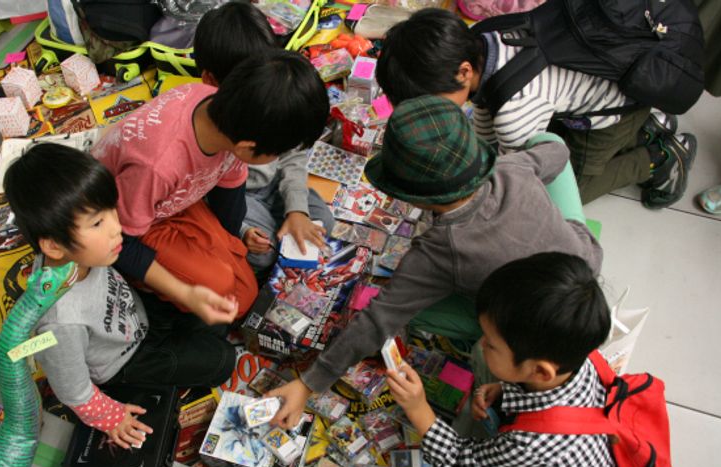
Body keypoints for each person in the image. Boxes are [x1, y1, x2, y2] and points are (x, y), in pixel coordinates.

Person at [268, 95, 603, 430]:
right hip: (582, 266)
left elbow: (379, 318)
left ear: (412, 197)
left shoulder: (440, 251)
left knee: (396, 302)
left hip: (527, 317)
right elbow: (557, 152)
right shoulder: (512, 167)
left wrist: (309, 383)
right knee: (549, 138)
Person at [4, 143, 236, 449]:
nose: (116, 228)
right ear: (54, 246)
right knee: (222, 360)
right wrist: (111, 418)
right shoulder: (60, 323)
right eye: (97, 223)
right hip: (124, 361)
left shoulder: (83, 254)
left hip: (136, 314)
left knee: (217, 320)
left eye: (112, 210)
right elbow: (73, 390)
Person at [386, 252, 614, 467]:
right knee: (482, 359)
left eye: (492, 342)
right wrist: (504, 389)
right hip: (555, 447)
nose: (482, 342)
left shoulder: (534, 444)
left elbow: (462, 465)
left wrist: (418, 408)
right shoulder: (573, 354)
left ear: (540, 371)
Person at [374, 8, 698, 209]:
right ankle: (649, 127)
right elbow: (485, 109)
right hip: (602, 79)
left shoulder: (515, 113)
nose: (428, 112)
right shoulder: (480, 38)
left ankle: (660, 159)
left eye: (430, 102)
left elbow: (520, 176)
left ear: (463, 72)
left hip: (612, 110)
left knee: (566, 192)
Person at [91, 48, 329, 316]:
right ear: (246, 148)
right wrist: (184, 291)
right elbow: (120, 241)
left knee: (241, 290)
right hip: (128, 223)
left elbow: (229, 197)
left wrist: (233, 243)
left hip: (175, 200)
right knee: (227, 291)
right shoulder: (157, 165)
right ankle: (143, 287)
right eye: (278, 153)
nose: (279, 158)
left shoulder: (223, 112)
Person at [193, 1, 334, 273]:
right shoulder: (209, 125)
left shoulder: (272, 94)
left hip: (273, 184)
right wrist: (243, 230)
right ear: (213, 80)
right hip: (238, 197)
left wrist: (297, 210)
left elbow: (292, 153)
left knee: (321, 222)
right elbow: (204, 194)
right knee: (264, 251)